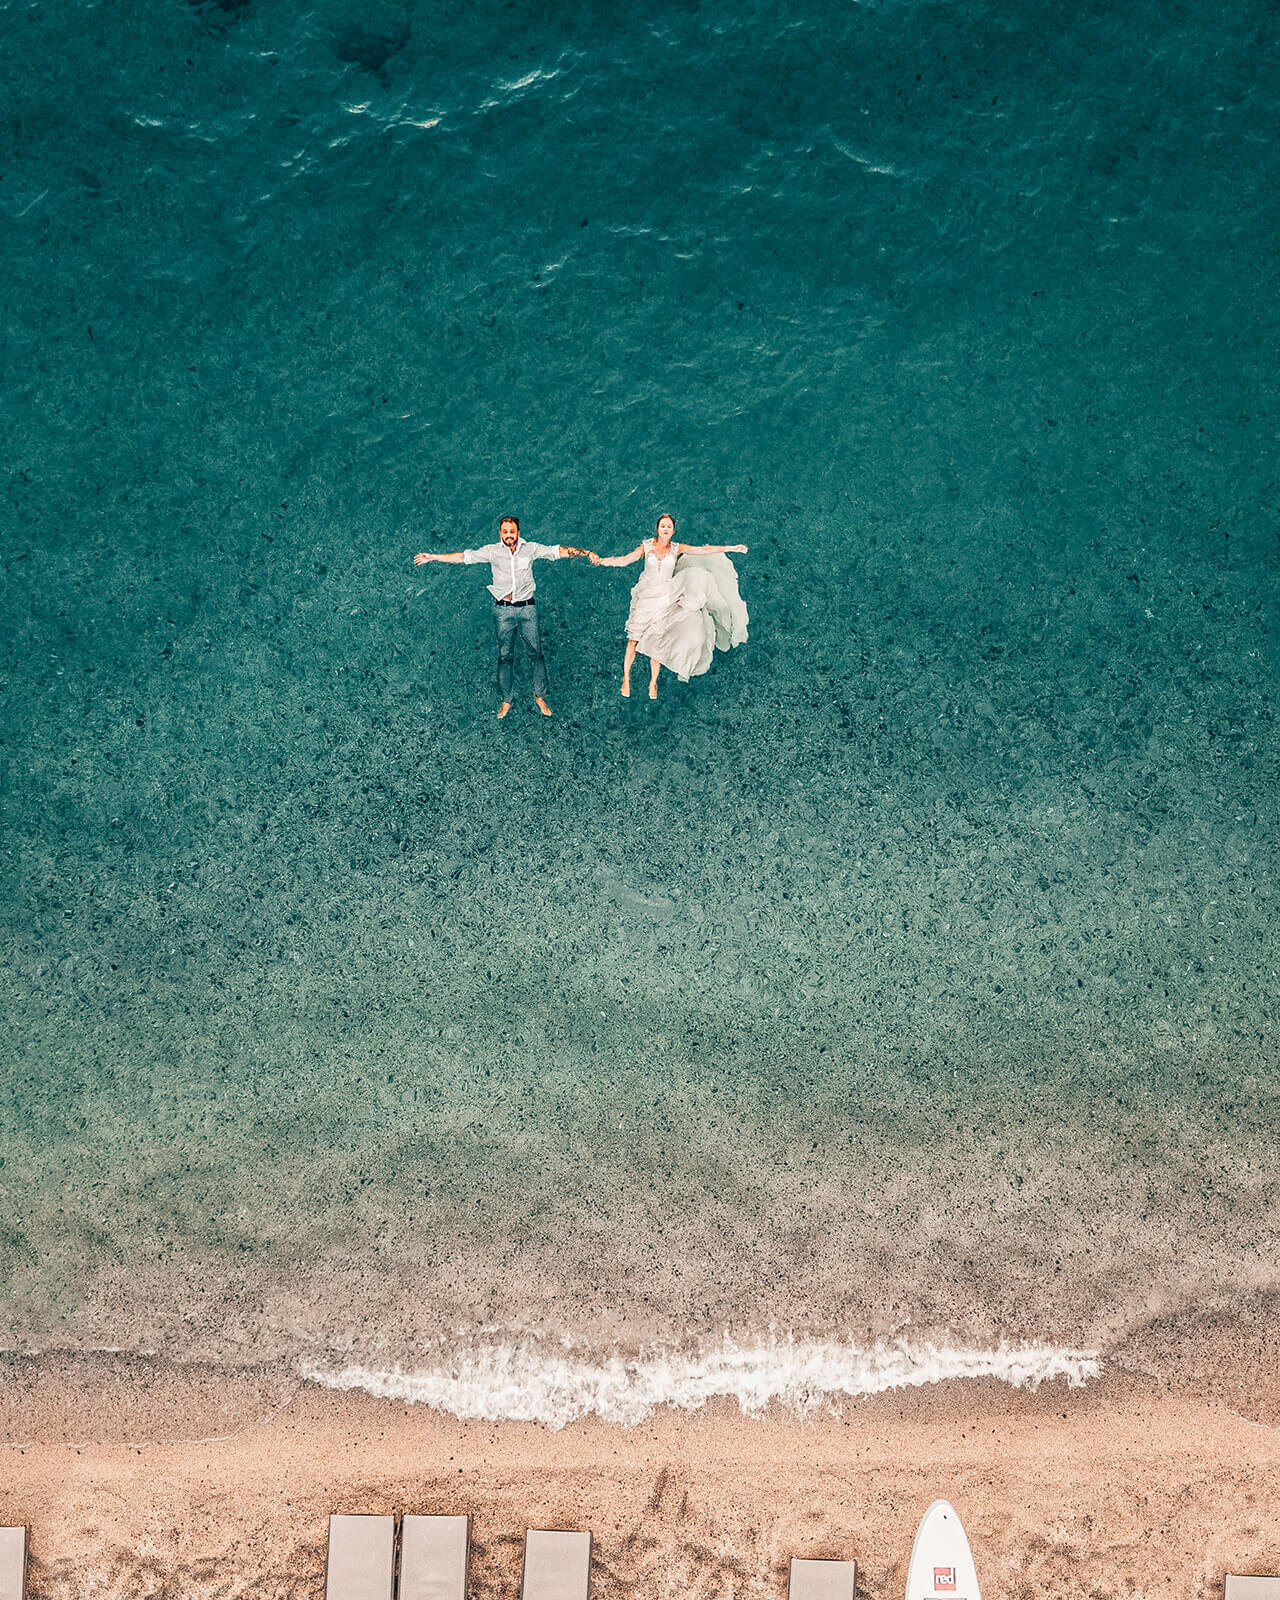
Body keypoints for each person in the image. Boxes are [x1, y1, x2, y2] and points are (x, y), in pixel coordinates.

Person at [414, 517, 594, 717]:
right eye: (505, 531)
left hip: (528, 609)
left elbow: (556, 551)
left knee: (536, 654)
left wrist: (585, 553)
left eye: (512, 531)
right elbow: (464, 557)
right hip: (503, 611)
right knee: (505, 656)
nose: (509, 534)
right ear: (500, 533)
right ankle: (506, 700)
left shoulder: (531, 548)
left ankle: (539, 696)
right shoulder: (492, 551)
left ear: (518, 532)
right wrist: (433, 556)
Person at [590, 514, 749, 698]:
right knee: (633, 638)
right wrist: (603, 561)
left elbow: (702, 551)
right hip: (646, 596)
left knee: (657, 638)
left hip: (665, 596)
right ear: (657, 528)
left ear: (673, 531)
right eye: (662, 525)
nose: (665, 529)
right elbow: (625, 559)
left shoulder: (676, 548)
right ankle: (626, 678)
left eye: (669, 526)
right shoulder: (647, 546)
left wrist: (732, 548)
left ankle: (653, 682)